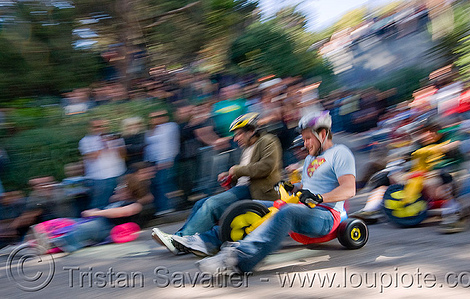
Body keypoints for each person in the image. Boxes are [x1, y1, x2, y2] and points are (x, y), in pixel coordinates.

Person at [193, 110, 356, 274]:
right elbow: (309, 186)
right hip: (305, 208)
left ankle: (239, 260)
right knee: (254, 207)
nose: (305, 144)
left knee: (288, 211)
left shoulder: (340, 153)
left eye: (308, 139)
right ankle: (208, 241)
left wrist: (320, 198)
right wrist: (293, 187)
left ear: (322, 134)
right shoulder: (309, 159)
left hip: (326, 215)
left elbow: (349, 189)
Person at [151, 113, 282, 256]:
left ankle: (180, 240)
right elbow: (244, 173)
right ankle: (182, 238)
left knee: (211, 205)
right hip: (243, 188)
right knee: (200, 204)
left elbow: (266, 167)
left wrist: (236, 170)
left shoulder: (268, 141)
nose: (236, 138)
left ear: (251, 131)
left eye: (239, 134)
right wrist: (230, 176)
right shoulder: (247, 149)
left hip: (257, 192)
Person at [37, 162, 155, 253]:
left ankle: (56, 243)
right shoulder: (118, 201)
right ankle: (46, 232)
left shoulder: (135, 205)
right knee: (71, 222)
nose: (117, 188)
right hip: (99, 221)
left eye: (120, 186)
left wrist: (97, 213)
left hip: (107, 228)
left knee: (84, 228)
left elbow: (120, 213)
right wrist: (98, 211)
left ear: (129, 190)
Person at [79, 119, 127, 209]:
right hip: (99, 178)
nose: (100, 129)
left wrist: (117, 145)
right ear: (89, 128)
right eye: (97, 127)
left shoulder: (115, 137)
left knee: (120, 202)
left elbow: (124, 156)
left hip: (118, 174)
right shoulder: (85, 141)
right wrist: (103, 144)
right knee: (100, 204)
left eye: (103, 126)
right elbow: (91, 157)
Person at [144, 110, 180, 214]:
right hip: (152, 161)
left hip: (165, 159)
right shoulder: (149, 131)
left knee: (163, 183)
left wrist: (168, 158)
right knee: (156, 184)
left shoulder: (170, 127)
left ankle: (166, 207)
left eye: (160, 116)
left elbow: (171, 144)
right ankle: (161, 207)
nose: (157, 119)